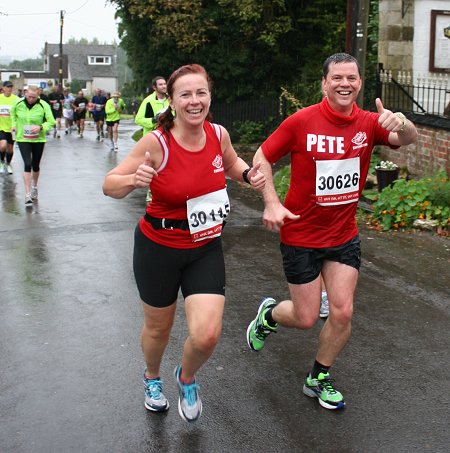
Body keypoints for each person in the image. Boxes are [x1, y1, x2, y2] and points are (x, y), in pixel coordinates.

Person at [246, 53, 418, 411]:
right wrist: (271, 202)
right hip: (300, 236)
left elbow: (410, 139)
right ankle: (269, 315)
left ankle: (318, 377)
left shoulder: (370, 123)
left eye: (352, 78)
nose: (345, 83)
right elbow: (261, 156)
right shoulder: (301, 121)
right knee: (305, 317)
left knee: (342, 312)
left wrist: (401, 121)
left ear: (359, 83)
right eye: (337, 77)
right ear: (324, 83)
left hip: (342, 236)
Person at [102, 63, 265, 422]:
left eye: (201, 92)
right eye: (186, 94)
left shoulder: (218, 133)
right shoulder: (156, 142)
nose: (195, 101)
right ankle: (152, 377)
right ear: (172, 101)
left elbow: (231, 161)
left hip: (204, 247)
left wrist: (246, 174)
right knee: (159, 328)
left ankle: (186, 377)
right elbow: (109, 184)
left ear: (210, 96)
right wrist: (134, 178)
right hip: (157, 247)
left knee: (207, 335)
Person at [10, 85, 55, 205]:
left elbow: (51, 121)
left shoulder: (43, 105)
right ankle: (27, 194)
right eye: (29, 96)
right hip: (22, 138)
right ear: (25, 93)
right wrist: (14, 125)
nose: (31, 99)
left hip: (38, 140)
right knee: (27, 164)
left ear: (38, 95)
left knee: (35, 165)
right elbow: (12, 114)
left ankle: (35, 186)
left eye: (34, 97)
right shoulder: (18, 103)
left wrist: (41, 127)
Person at [135, 77, 170, 202]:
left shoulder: (170, 100)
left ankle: (166, 193)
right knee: (154, 168)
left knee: (167, 167)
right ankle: (151, 196)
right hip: (153, 140)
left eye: (165, 83)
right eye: (160, 84)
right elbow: (138, 119)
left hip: (169, 138)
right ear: (154, 87)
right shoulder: (148, 101)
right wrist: (153, 121)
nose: (164, 86)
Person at [0, 81, 19, 175]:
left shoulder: (16, 99)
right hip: (1, 127)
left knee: (10, 149)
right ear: (3, 88)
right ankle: (1, 162)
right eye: (7, 87)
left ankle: (8, 164)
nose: (9, 89)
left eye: (11, 87)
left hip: (12, 128)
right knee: (3, 145)